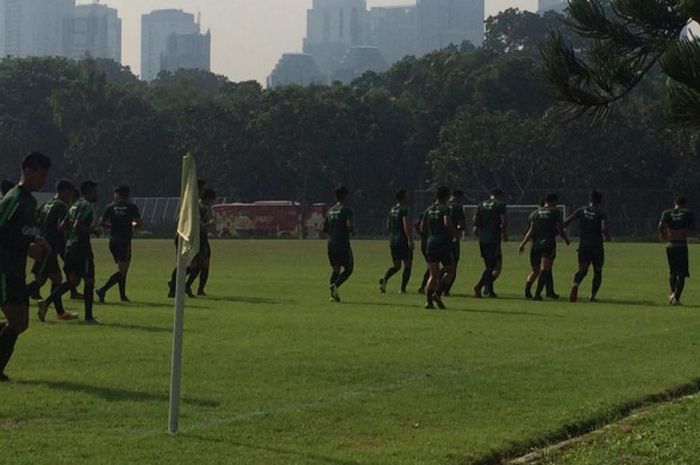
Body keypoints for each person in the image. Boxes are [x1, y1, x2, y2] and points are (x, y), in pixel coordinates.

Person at [0, 152, 53, 382]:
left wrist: (39, 241)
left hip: (15, 269)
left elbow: (25, 232)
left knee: (20, 322)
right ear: (28, 172)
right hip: (3, 269)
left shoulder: (30, 202)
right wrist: (26, 247)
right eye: (41, 175)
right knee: (18, 322)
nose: (44, 181)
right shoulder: (13, 199)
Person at [39, 181, 99, 324]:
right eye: (96, 191)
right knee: (89, 281)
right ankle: (89, 317)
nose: (98, 194)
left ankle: (46, 302)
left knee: (73, 281)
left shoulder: (74, 206)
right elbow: (78, 226)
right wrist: (93, 230)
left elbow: (61, 226)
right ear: (89, 191)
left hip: (70, 247)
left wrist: (70, 236)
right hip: (81, 248)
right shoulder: (87, 206)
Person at [28, 180, 79, 321]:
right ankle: (11, 300)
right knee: (40, 281)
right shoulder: (61, 206)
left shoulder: (47, 204)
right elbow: (61, 226)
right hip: (48, 248)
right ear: (64, 191)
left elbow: (35, 220)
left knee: (54, 279)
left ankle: (60, 312)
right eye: (69, 192)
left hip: (43, 245)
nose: (70, 196)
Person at [519, 193, 570, 301]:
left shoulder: (535, 213)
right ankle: (538, 294)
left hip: (535, 245)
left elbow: (531, 230)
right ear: (554, 201)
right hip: (548, 244)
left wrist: (523, 244)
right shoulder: (555, 212)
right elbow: (559, 227)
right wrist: (565, 238)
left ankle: (528, 290)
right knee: (545, 270)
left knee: (535, 271)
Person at [96, 185, 142, 304]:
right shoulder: (131, 207)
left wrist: (112, 226)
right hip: (124, 241)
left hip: (113, 241)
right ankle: (102, 289)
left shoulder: (111, 207)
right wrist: (130, 224)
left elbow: (101, 223)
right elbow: (138, 224)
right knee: (122, 270)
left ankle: (122, 295)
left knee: (122, 269)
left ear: (117, 194)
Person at [563, 191, 610, 302]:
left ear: (589, 200)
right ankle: (592, 296)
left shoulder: (580, 211)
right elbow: (604, 229)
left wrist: (563, 235)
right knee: (597, 271)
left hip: (583, 246)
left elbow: (565, 223)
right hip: (597, 247)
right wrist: (607, 237)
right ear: (600, 201)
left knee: (582, 270)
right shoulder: (601, 213)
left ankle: (575, 284)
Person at [422, 186, 457, 309]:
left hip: (430, 244)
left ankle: (428, 302)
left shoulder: (428, 210)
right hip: (442, 244)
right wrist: (453, 233)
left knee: (433, 275)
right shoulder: (445, 208)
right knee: (450, 270)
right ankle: (437, 294)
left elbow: (423, 228)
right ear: (446, 196)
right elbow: (447, 223)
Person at [659, 196, 695, 305]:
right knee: (682, 273)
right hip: (681, 245)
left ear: (674, 203)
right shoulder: (687, 213)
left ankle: (672, 294)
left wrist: (663, 235)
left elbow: (660, 226)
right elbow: (692, 228)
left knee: (672, 272)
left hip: (670, 244)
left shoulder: (667, 213)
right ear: (684, 204)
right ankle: (676, 298)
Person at [473, 189, 508, 298]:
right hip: (493, 239)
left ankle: (490, 291)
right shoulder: (500, 205)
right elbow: (504, 221)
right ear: (499, 195)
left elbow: (475, 221)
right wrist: (504, 233)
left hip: (483, 239)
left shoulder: (481, 204)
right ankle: (479, 286)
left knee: (488, 265)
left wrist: (479, 231)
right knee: (492, 267)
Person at [379, 189, 414, 294]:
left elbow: (388, 225)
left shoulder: (392, 209)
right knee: (408, 264)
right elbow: (406, 225)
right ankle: (402, 289)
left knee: (397, 266)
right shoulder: (405, 209)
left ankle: (384, 279)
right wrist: (410, 239)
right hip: (402, 240)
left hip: (393, 241)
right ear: (403, 197)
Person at [323, 186, 354, 303]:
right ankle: (335, 286)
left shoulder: (330, 211)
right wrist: (353, 231)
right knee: (349, 269)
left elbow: (324, 229)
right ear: (345, 196)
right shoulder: (347, 210)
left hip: (331, 244)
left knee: (336, 269)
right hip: (343, 244)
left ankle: (332, 295)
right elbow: (349, 226)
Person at [443, 190, 466, 296]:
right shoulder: (458, 208)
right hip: (453, 240)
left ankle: (433, 284)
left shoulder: (442, 206)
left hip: (440, 240)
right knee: (453, 266)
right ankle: (445, 289)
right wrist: (458, 229)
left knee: (441, 265)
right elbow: (461, 225)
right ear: (459, 197)